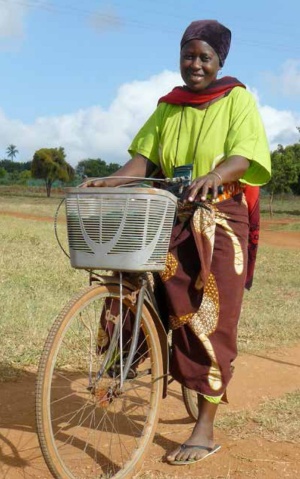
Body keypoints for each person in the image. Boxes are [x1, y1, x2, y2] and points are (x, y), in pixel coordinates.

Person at [84, 19, 271, 466]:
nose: (196, 64)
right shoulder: (169, 106)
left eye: (205, 57)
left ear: (220, 60)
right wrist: (110, 181)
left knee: (210, 316)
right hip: (171, 211)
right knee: (132, 281)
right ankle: (128, 355)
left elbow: (245, 154)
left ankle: (204, 428)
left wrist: (216, 174)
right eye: (189, 55)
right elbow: (142, 159)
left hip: (221, 216)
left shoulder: (238, 99)